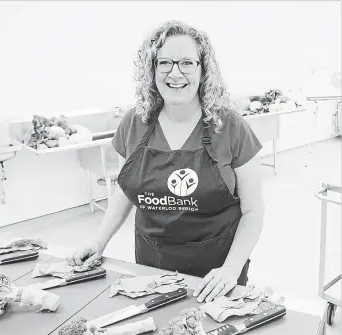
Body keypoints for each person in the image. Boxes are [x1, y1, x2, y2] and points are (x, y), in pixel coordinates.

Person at [67, 20, 264, 304]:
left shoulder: (230, 127)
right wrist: (99, 242)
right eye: (165, 63)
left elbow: (253, 211)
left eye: (187, 63)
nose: (175, 73)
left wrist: (231, 269)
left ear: (202, 69)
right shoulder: (134, 124)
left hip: (216, 272)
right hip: (151, 263)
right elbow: (125, 190)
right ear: (152, 68)